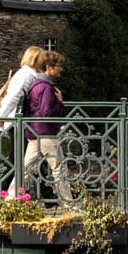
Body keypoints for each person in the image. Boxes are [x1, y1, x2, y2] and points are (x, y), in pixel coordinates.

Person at [9, 51, 77, 204]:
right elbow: (46, 113)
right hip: (46, 133)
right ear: (48, 67)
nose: (61, 69)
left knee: (25, 170)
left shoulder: (35, 84)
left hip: (34, 132)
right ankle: (70, 205)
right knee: (59, 169)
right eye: (58, 66)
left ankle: (10, 200)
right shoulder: (46, 87)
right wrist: (59, 103)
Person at [0, 46, 49, 132]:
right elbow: (13, 97)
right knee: (18, 144)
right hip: (18, 120)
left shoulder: (27, 75)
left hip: (23, 120)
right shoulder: (25, 76)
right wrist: (1, 117)